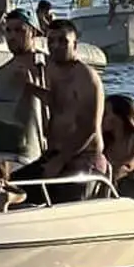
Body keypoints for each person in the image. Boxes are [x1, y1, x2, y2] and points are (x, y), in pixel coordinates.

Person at [20, 20, 106, 200]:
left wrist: (60, 162)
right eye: (51, 41)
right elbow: (59, 103)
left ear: (74, 44)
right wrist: (31, 89)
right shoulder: (52, 68)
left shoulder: (85, 77)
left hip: (83, 157)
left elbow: (88, 127)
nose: (56, 46)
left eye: (62, 41)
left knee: (66, 204)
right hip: (54, 154)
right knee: (13, 187)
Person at [0, 10, 48, 157]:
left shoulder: (44, 66)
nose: (12, 36)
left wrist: (31, 86)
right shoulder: (1, 71)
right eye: (8, 31)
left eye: (19, 30)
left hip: (27, 144)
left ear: (33, 33)